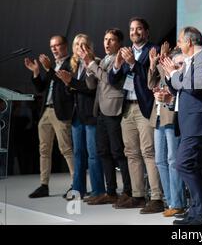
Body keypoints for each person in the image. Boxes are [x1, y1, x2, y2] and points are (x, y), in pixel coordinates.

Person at [161, 26, 202, 225]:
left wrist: (175, 76)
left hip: (198, 122)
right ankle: (198, 210)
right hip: (189, 123)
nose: (178, 44)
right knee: (193, 166)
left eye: (180, 41)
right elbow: (181, 90)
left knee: (183, 164)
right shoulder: (191, 61)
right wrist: (170, 76)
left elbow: (194, 87)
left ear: (190, 42)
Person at [108, 17, 164, 213]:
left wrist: (133, 64)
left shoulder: (153, 50)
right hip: (127, 108)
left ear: (146, 32)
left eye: (139, 29)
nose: (134, 32)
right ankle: (138, 195)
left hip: (145, 108)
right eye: (131, 29)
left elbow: (152, 78)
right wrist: (117, 64)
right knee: (131, 153)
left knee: (149, 152)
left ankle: (156, 197)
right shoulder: (126, 52)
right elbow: (113, 80)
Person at [81, 28, 132, 205]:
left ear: (119, 43)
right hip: (100, 109)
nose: (107, 43)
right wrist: (89, 68)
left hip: (114, 108)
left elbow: (111, 80)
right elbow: (91, 85)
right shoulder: (103, 60)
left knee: (118, 152)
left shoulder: (122, 59)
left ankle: (128, 191)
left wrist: (92, 65)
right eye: (105, 39)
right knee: (103, 151)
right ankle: (111, 192)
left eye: (111, 40)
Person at [55, 34, 105, 200]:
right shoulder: (73, 64)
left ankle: (98, 191)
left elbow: (91, 89)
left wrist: (71, 83)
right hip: (77, 115)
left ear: (89, 46)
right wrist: (67, 84)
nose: (80, 48)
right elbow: (73, 90)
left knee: (93, 154)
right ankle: (78, 190)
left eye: (83, 45)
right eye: (77, 45)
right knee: (78, 153)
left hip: (91, 114)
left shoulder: (96, 62)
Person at [24, 35, 74, 198]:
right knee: (44, 150)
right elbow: (41, 88)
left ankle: (77, 183)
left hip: (61, 112)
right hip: (46, 111)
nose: (53, 48)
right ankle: (44, 185)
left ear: (65, 46)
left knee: (66, 149)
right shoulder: (51, 66)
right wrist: (37, 72)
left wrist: (49, 69)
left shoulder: (71, 62)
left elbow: (64, 84)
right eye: (51, 46)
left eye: (57, 45)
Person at [147, 44, 186, 216]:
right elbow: (150, 84)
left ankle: (178, 202)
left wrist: (163, 63)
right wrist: (152, 64)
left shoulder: (176, 67)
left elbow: (172, 82)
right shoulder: (161, 67)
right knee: (160, 160)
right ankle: (170, 200)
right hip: (157, 116)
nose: (164, 58)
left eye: (167, 56)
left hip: (170, 116)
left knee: (172, 159)